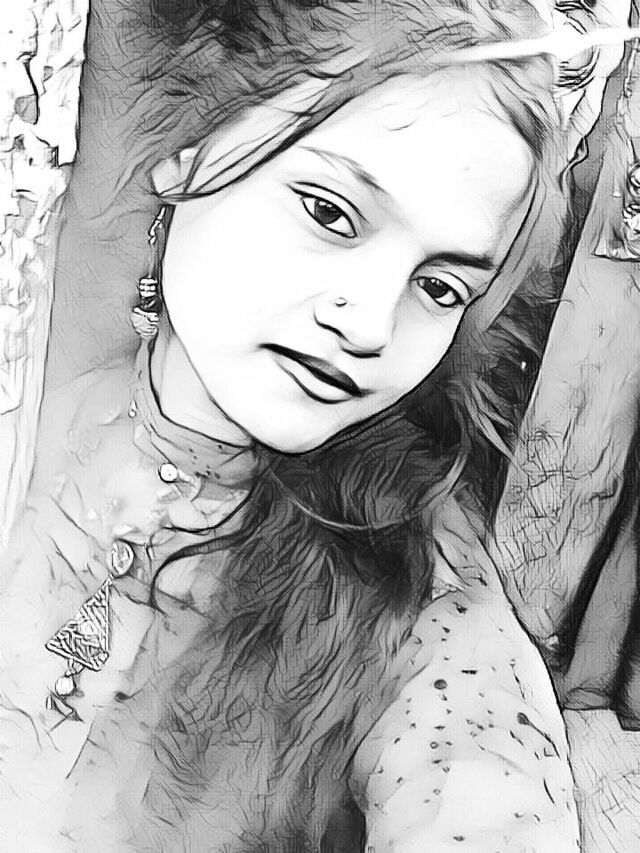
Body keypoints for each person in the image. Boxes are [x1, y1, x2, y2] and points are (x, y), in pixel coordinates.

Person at [0, 0, 596, 849]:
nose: (373, 324)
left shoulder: (418, 590)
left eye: (440, 286)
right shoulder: (33, 406)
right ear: (189, 149)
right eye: (329, 212)